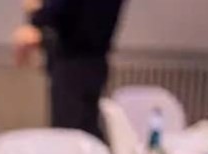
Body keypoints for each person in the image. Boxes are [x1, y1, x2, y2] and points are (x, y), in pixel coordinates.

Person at [13, 0, 127, 140]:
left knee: (68, 136)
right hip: (94, 61)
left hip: (73, 65)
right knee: (85, 131)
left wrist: (37, 11)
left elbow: (65, 14)